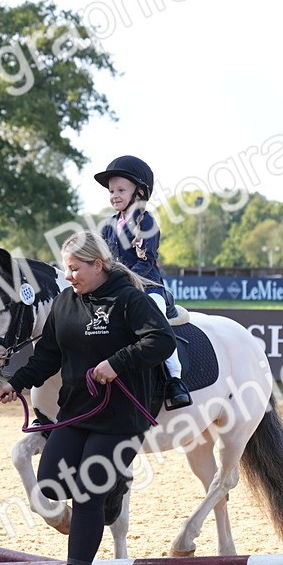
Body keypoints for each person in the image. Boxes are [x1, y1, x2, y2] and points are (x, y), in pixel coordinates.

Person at [0, 231, 176, 565]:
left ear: (99, 265)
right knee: (49, 485)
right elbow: (48, 355)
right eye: (66, 269)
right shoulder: (65, 302)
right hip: (76, 410)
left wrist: (117, 363)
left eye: (75, 269)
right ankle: (115, 489)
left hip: (122, 413)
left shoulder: (129, 299)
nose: (69, 275)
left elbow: (161, 341)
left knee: (87, 493)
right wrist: (16, 382)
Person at [95, 154, 192, 410]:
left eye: (120, 190)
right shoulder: (107, 226)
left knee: (156, 317)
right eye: (111, 190)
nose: (114, 195)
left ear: (138, 192)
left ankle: (174, 380)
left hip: (148, 287)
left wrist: (122, 283)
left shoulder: (146, 222)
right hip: (116, 288)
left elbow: (145, 262)